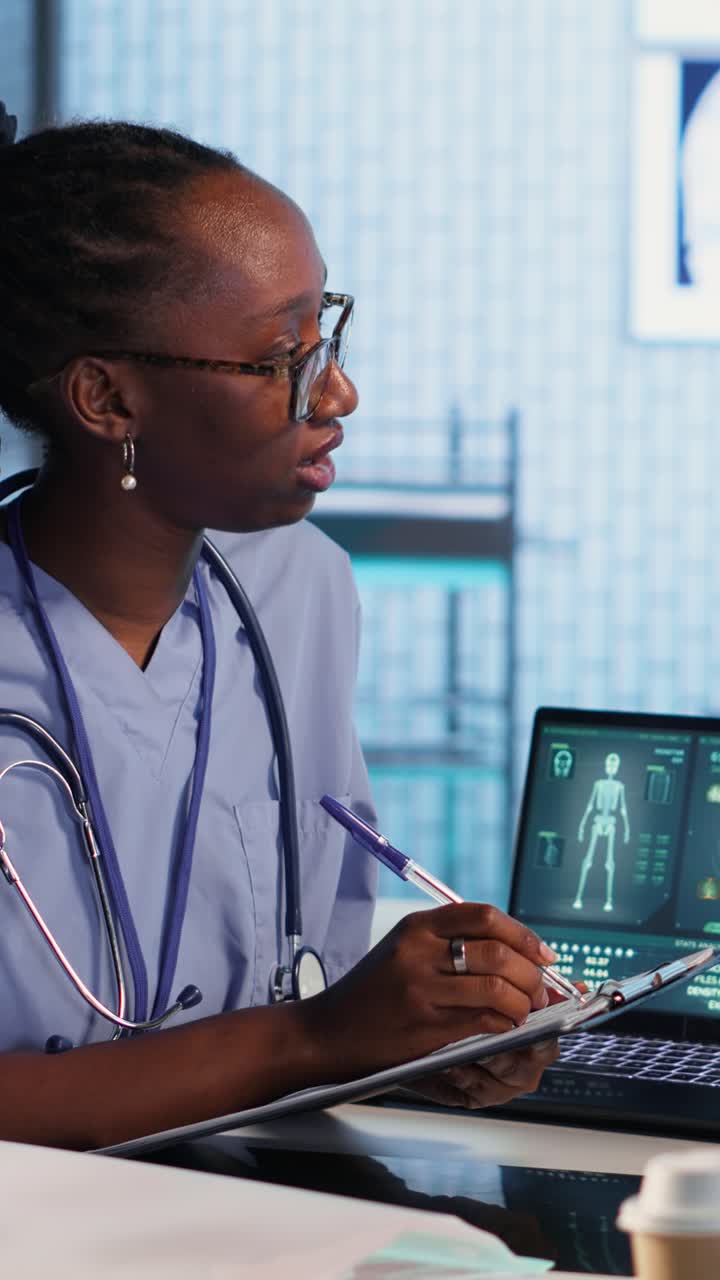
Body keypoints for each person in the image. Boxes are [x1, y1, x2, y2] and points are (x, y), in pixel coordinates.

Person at [0, 106, 559, 1151]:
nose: (338, 391)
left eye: (326, 334)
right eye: (277, 358)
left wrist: (427, 1034)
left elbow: (303, 989)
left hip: (266, 1200)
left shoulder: (300, 590)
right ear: (106, 398)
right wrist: (317, 1040)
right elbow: (299, 1032)